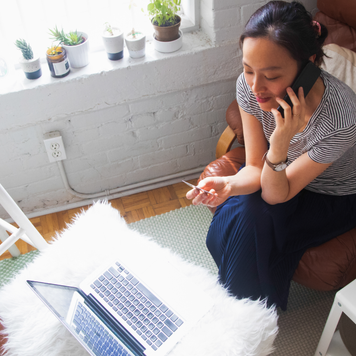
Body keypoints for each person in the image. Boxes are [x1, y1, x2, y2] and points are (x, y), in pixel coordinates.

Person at [186, 1, 356, 310]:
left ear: (309, 65)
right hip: (278, 176)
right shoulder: (249, 88)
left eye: (271, 76)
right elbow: (253, 167)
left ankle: (242, 316)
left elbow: (277, 195)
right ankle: (249, 314)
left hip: (332, 195)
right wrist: (230, 184)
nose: (256, 87)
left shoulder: (341, 119)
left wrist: (279, 144)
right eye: (248, 70)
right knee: (246, 209)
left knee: (255, 216)